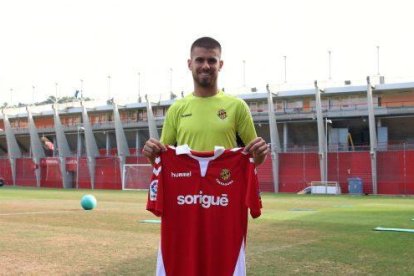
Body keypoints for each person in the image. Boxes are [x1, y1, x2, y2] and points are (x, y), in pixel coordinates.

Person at [142, 36, 269, 164]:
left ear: (220, 64)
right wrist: (151, 155)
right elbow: (162, 162)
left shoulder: (237, 106)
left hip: (224, 181)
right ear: (190, 64)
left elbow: (254, 158)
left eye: (212, 61)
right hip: (188, 184)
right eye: (200, 60)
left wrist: (260, 154)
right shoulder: (176, 109)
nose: (206, 66)